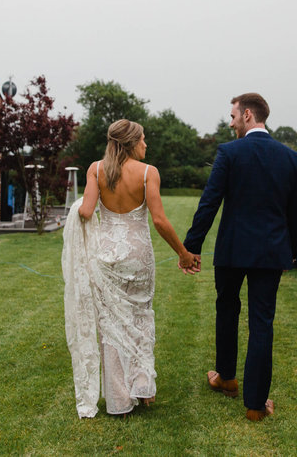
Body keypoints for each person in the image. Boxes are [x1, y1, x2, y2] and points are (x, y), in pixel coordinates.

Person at [182, 93, 297, 421]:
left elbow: (209, 202)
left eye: (234, 116)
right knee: (262, 322)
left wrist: (190, 246)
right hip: (270, 252)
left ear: (248, 115)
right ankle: (255, 405)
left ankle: (226, 377)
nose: (231, 122)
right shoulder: (290, 158)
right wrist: (290, 253)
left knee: (227, 308)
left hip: (232, 250)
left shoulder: (229, 152)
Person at [62, 119, 198, 418]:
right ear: (131, 142)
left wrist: (77, 211)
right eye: (143, 140)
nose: (146, 145)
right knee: (139, 319)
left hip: (106, 258)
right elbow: (160, 221)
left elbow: (85, 211)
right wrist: (183, 253)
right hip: (138, 256)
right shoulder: (148, 173)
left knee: (111, 327)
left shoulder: (96, 170)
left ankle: (119, 402)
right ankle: (143, 388)